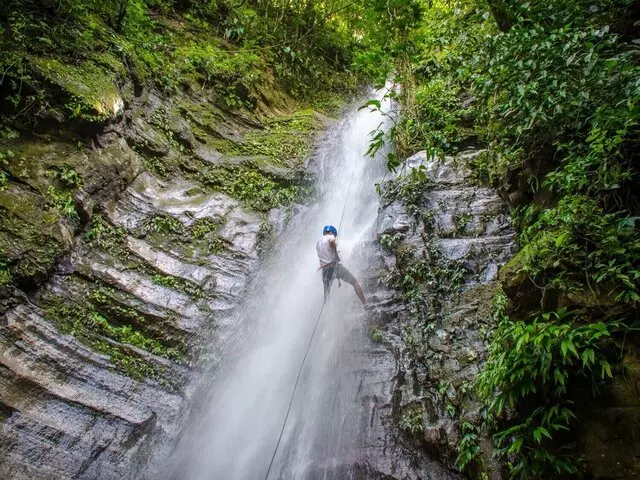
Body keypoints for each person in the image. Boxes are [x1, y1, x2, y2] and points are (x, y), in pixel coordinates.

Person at [316, 225, 366, 306]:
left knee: (327, 295)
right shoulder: (331, 236)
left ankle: (325, 313)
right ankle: (365, 304)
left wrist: (333, 254)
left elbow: (324, 255)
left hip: (325, 271)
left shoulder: (318, 242)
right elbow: (332, 241)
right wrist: (336, 254)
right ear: (332, 232)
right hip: (334, 268)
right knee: (355, 282)